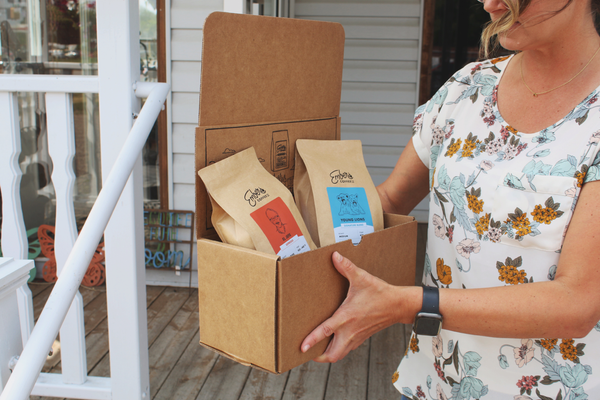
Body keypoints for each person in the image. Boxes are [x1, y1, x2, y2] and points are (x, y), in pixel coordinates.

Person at [300, 0, 600, 397]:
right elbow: (389, 199)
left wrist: (406, 303)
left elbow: (576, 304)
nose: (491, 4)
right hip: (437, 380)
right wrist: (292, 225)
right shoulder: (467, 88)